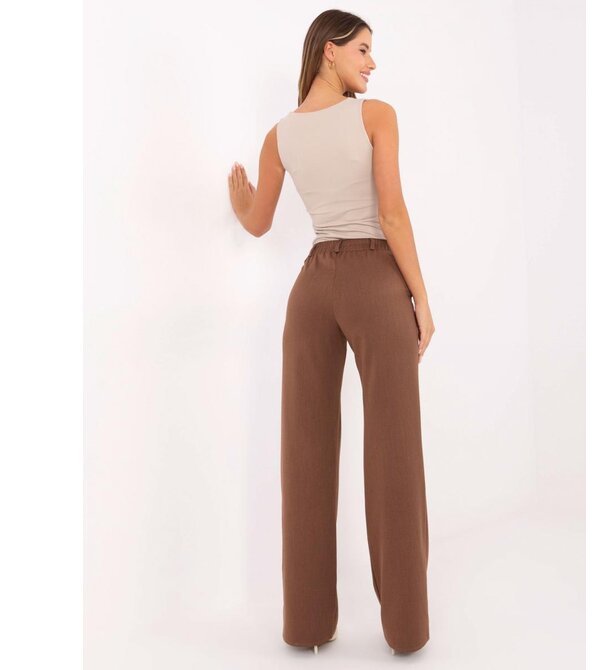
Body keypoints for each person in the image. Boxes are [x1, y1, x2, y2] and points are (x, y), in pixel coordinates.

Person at [228, 9, 435, 656]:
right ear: (329, 51)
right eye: (363, 49)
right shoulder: (376, 117)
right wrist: (420, 298)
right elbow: (391, 214)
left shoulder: (279, 135)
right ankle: (406, 631)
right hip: (375, 281)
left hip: (311, 289)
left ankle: (307, 625)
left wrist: (239, 197)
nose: (372, 62)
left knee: (305, 457)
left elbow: (258, 222)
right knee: (395, 453)